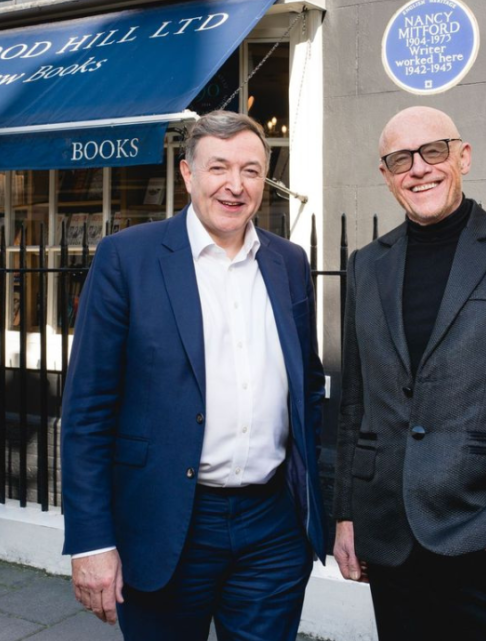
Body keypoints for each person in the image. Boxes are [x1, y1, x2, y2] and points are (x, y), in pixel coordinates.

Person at [60, 110, 326, 641]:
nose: (235, 185)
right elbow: (87, 410)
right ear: (187, 175)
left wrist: (323, 505)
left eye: (251, 171)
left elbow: (310, 389)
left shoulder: (289, 262)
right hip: (168, 522)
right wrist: (91, 541)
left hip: (272, 525)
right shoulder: (127, 258)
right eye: (218, 168)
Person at [332, 106, 486, 640]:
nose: (418, 168)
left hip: (484, 529)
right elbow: (355, 401)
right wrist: (346, 514)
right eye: (401, 158)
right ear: (386, 175)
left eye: (434, 151)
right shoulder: (366, 265)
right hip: (390, 533)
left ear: (462, 157)